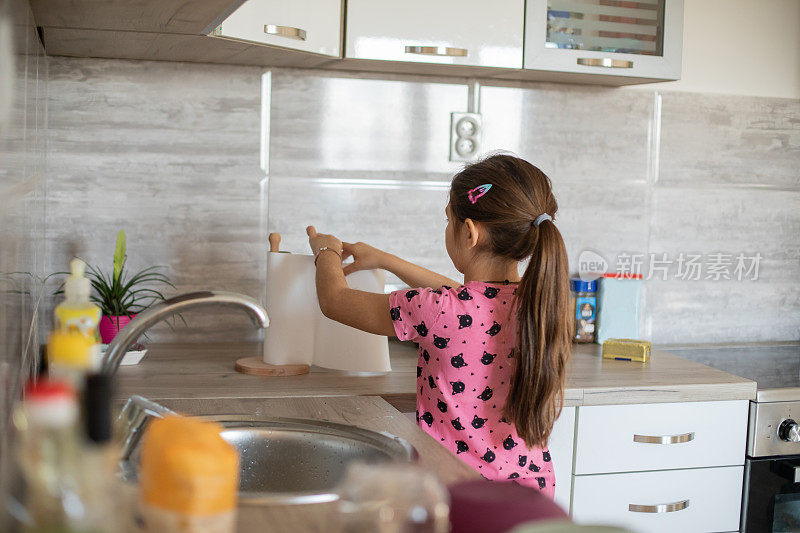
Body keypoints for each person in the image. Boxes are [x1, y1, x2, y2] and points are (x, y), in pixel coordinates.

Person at [307, 153, 572, 497]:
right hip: (528, 498)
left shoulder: (439, 311)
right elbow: (465, 297)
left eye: (448, 220)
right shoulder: (542, 303)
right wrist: (385, 260)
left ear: (469, 232)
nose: (446, 228)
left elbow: (335, 301)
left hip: (458, 500)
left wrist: (325, 250)